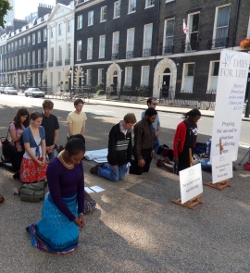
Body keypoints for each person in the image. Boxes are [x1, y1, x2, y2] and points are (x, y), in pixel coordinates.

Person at [27, 138, 86, 254]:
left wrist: (80, 213)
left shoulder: (78, 163)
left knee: (71, 241)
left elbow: (80, 187)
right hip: (57, 206)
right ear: (67, 153)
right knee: (57, 245)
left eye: (80, 159)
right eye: (76, 159)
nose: (78, 162)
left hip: (72, 205)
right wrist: (72, 218)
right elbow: (56, 197)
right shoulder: (54, 167)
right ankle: (37, 229)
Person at [90, 113, 137, 182]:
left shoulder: (129, 130)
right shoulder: (115, 130)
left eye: (132, 125)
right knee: (115, 178)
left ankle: (104, 166)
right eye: (130, 125)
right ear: (124, 122)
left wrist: (128, 160)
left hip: (122, 159)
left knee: (121, 177)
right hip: (114, 159)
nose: (131, 127)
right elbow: (111, 147)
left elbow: (129, 145)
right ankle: (99, 170)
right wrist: (114, 163)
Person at [20, 111, 47, 183]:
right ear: (31, 120)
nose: (40, 123)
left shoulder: (41, 129)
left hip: (40, 156)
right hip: (30, 157)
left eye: (41, 121)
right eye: (38, 121)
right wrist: (37, 161)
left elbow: (43, 144)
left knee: (41, 180)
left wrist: (44, 157)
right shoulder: (27, 131)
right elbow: (27, 149)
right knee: (30, 182)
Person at [173, 108, 201, 173]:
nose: (196, 121)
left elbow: (195, 136)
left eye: (198, 119)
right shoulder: (182, 125)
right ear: (191, 116)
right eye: (196, 119)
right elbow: (176, 140)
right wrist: (176, 155)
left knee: (188, 168)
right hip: (183, 151)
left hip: (191, 149)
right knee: (182, 170)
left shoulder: (195, 124)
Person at [130, 108, 157, 175]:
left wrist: (152, 150)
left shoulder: (150, 124)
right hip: (141, 151)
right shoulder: (139, 126)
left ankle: (133, 162)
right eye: (152, 118)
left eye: (154, 118)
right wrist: (140, 158)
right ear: (147, 116)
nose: (154, 120)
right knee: (138, 171)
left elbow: (151, 138)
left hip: (149, 150)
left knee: (146, 169)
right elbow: (137, 143)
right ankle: (125, 164)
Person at [8, 107, 29, 179]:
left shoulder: (24, 124)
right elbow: (14, 139)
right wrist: (22, 136)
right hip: (15, 150)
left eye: (26, 117)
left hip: (23, 149)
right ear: (19, 115)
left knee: (22, 167)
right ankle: (5, 163)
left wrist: (20, 136)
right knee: (16, 169)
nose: (25, 119)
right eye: (23, 117)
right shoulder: (13, 124)